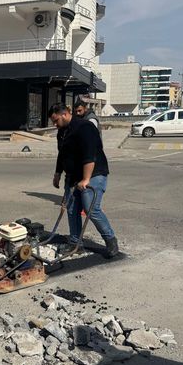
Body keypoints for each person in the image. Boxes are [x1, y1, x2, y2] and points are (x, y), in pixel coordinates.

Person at [48, 103, 119, 258]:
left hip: (94, 174)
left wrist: (86, 179)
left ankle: (110, 239)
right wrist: (58, 173)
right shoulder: (62, 132)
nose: (54, 124)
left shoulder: (84, 128)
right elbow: (62, 154)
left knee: (91, 209)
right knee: (72, 209)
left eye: (56, 120)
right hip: (73, 176)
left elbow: (90, 155)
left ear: (65, 114)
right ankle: (75, 243)